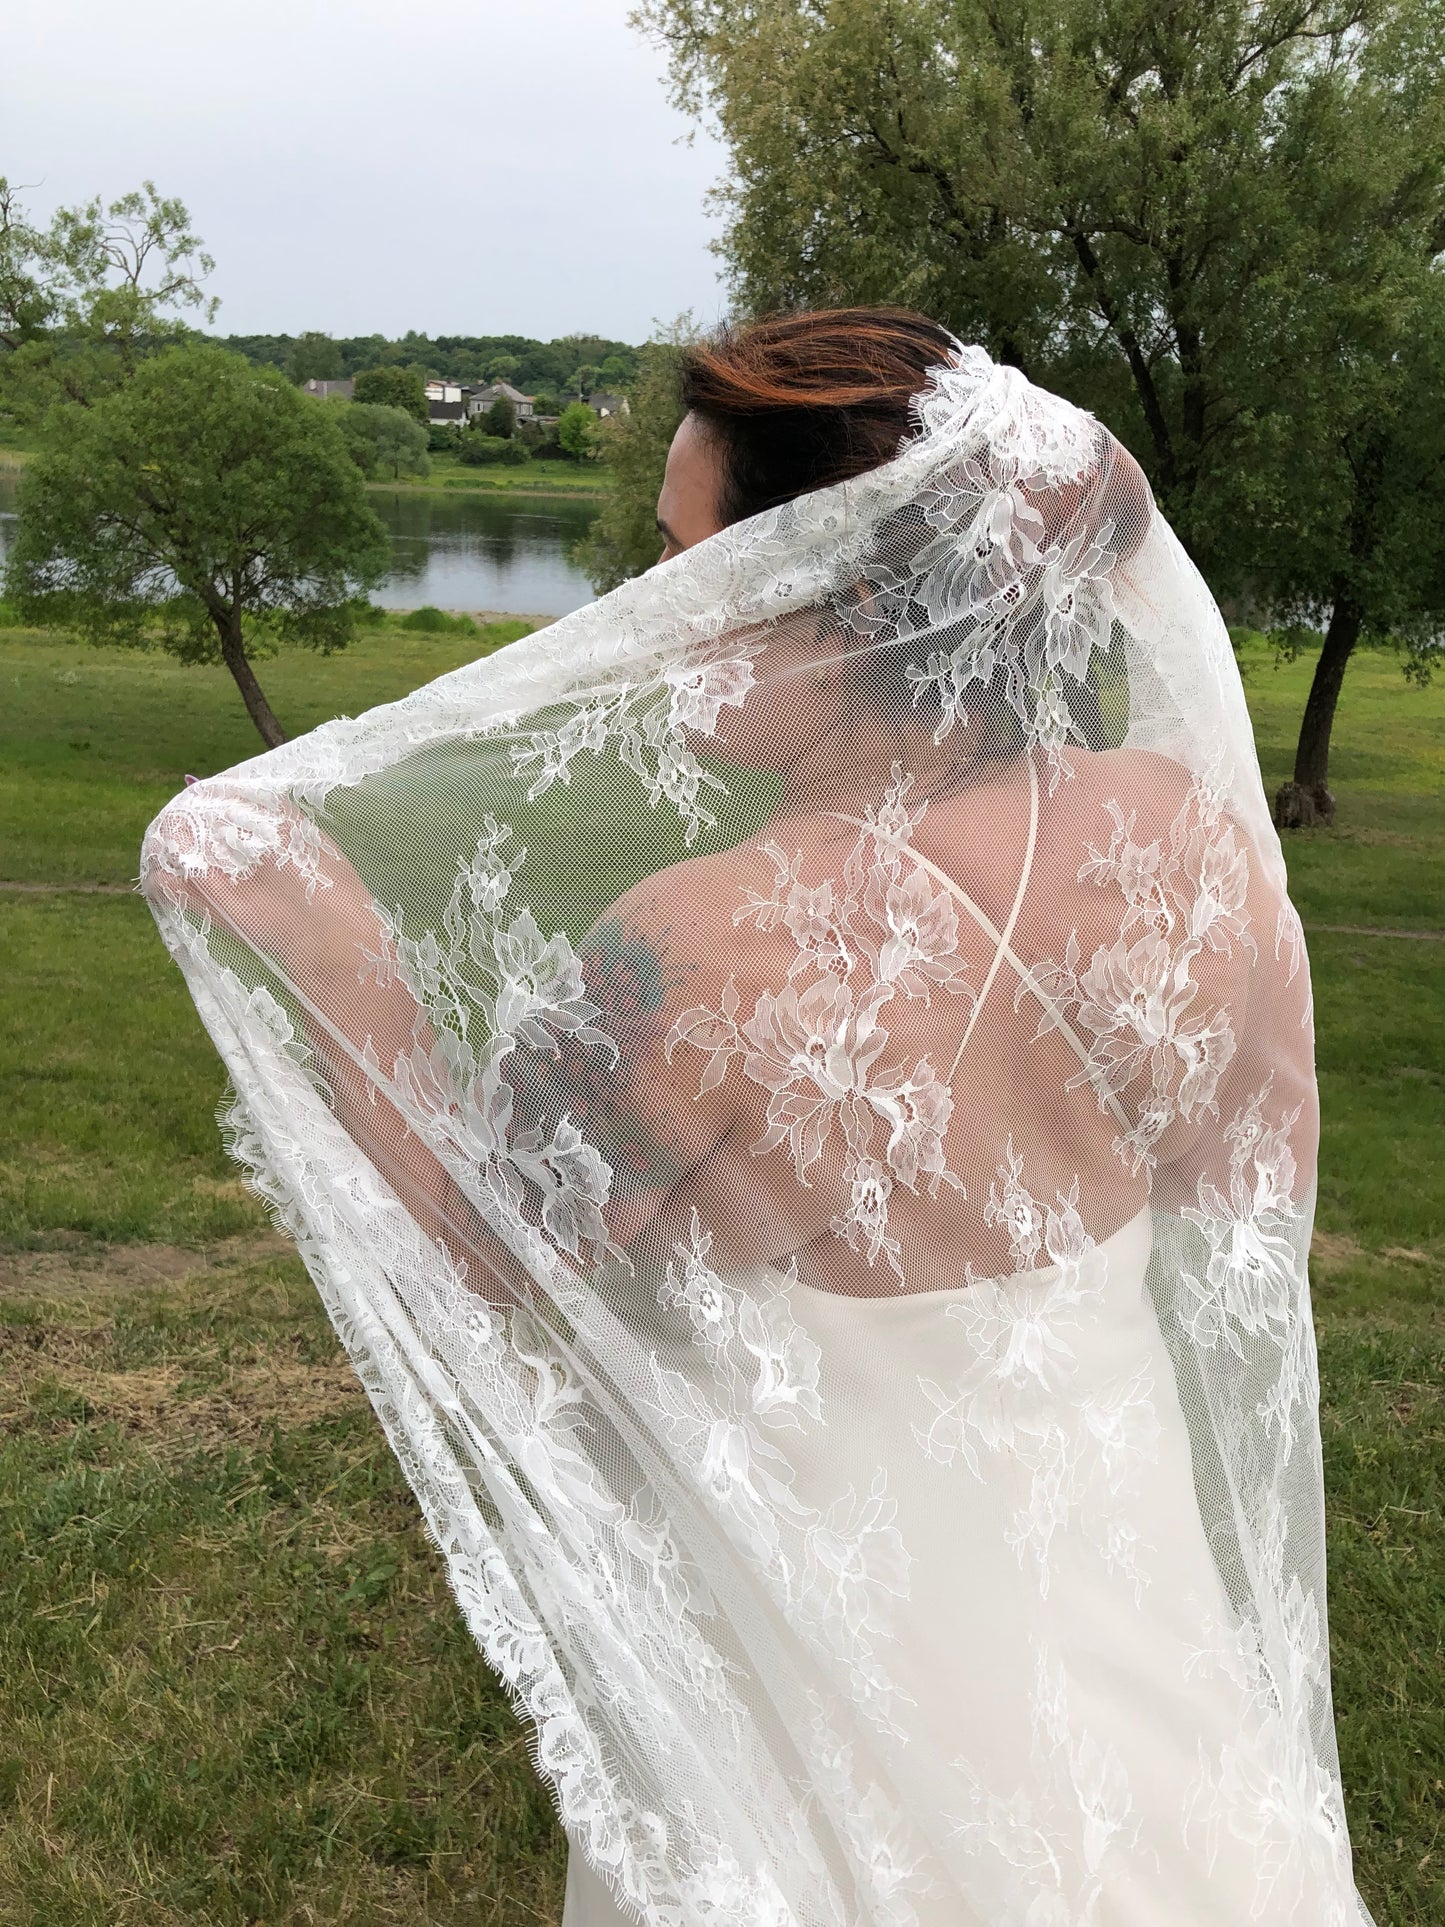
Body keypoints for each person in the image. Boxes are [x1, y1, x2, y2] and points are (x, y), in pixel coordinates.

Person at [142, 310, 1372, 1926]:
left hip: (844, 1663)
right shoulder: (1187, 834)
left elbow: (478, 1255)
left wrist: (334, 952)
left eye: (685, 562)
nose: (646, 610)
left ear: (838, 596)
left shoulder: (696, 952)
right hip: (1125, 1588)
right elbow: (1242, 1180)